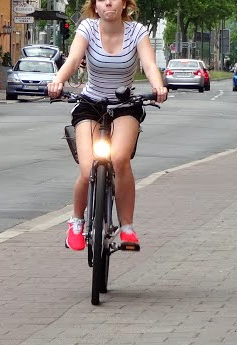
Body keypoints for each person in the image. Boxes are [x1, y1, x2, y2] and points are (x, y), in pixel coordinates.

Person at [47, 0, 167, 252]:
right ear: (95, 6)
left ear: (124, 4)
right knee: (87, 167)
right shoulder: (87, 28)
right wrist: (57, 81)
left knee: (120, 158)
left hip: (125, 104)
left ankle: (127, 228)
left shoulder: (137, 31)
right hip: (90, 103)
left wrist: (158, 86)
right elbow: (73, 60)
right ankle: (77, 222)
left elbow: (148, 63)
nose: (109, 2)